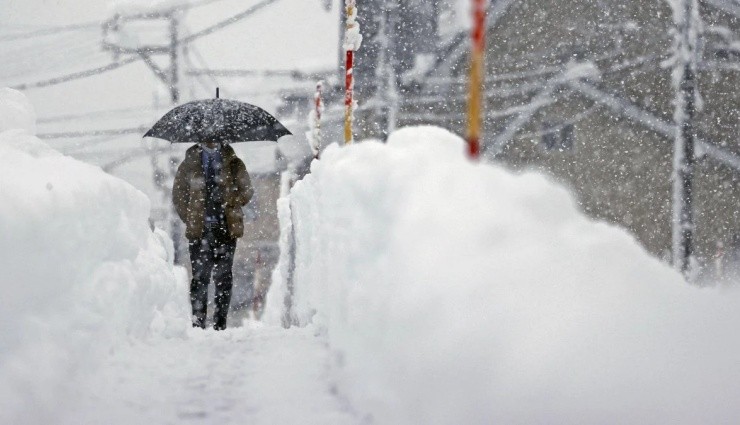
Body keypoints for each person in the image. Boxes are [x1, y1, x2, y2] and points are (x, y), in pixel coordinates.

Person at [173, 140, 254, 330]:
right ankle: (198, 322)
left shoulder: (234, 164)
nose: (211, 138)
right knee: (200, 278)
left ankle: (220, 323)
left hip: (226, 229)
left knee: (224, 277)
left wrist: (232, 200)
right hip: (200, 231)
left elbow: (247, 191)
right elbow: (179, 196)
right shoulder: (189, 164)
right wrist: (192, 217)